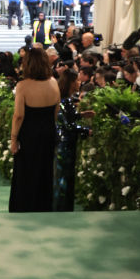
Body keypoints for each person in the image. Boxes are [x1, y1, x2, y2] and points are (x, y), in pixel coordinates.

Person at [8, 45, 60, 212]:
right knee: (45, 171)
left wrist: (13, 139)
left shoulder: (23, 86)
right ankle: (43, 206)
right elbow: (56, 111)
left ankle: (24, 206)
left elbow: (18, 116)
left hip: (29, 135)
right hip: (48, 132)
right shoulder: (53, 82)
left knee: (26, 172)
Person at [54, 68, 91, 211]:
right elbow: (68, 125)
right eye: (76, 80)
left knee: (63, 176)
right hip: (65, 143)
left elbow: (68, 118)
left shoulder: (64, 99)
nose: (79, 82)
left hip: (63, 141)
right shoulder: (66, 100)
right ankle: (61, 208)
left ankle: (61, 206)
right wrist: (86, 130)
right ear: (70, 82)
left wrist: (80, 115)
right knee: (64, 177)